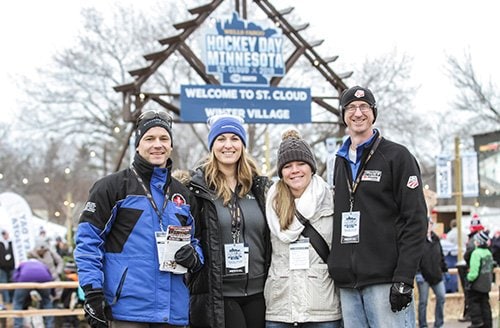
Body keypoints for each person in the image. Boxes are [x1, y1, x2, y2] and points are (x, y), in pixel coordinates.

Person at [74, 110, 203, 328]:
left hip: (173, 312)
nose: (157, 145)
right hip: (127, 310)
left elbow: (198, 241)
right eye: (149, 138)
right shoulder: (112, 188)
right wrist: (92, 294)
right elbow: (88, 243)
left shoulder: (184, 195)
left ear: (171, 146)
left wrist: (194, 256)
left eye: (164, 139)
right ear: (137, 144)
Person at [326, 85, 427, 328]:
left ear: (374, 113)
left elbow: (415, 220)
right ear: (343, 115)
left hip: (386, 280)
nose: (357, 113)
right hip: (349, 285)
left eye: (364, 107)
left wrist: (404, 277)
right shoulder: (337, 162)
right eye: (350, 108)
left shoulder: (397, 156)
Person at [187, 114, 271, 328]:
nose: (228, 145)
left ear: (242, 145)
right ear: (212, 145)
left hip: (260, 291)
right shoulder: (199, 190)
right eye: (221, 139)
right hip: (220, 292)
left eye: (234, 139)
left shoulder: (259, 187)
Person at [264, 129, 342, 327]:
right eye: (288, 166)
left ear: (312, 167)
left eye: (301, 164)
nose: (295, 170)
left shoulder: (331, 200)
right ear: (281, 172)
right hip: (280, 309)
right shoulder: (270, 202)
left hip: (322, 309)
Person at [415, 219, 447, 328]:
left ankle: (439, 324)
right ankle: (423, 325)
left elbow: (441, 256)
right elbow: (415, 258)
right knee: (423, 301)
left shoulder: (436, 239)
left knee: (441, 297)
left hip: (436, 274)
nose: (429, 226)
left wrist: (444, 270)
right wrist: (418, 273)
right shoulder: (418, 240)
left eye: (431, 224)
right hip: (423, 276)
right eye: (428, 224)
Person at [12, 259, 55, 328]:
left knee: (18, 302)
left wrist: (17, 287)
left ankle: (17, 325)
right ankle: (49, 325)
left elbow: (15, 277)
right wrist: (52, 293)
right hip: (43, 279)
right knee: (46, 302)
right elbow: (50, 277)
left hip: (24, 279)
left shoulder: (22, 264)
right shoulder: (42, 265)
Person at [466, 231, 493, 328]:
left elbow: (474, 271)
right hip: (486, 284)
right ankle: (488, 323)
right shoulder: (488, 253)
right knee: (485, 304)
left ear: (478, 242)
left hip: (477, 284)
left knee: (474, 302)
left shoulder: (476, 253)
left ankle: (477, 322)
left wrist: (469, 278)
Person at [0, 229, 15, 304]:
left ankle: (12, 299)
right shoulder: (1, 243)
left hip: (12, 266)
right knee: (3, 283)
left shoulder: (12, 243)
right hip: (2, 267)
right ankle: (6, 300)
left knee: (12, 282)